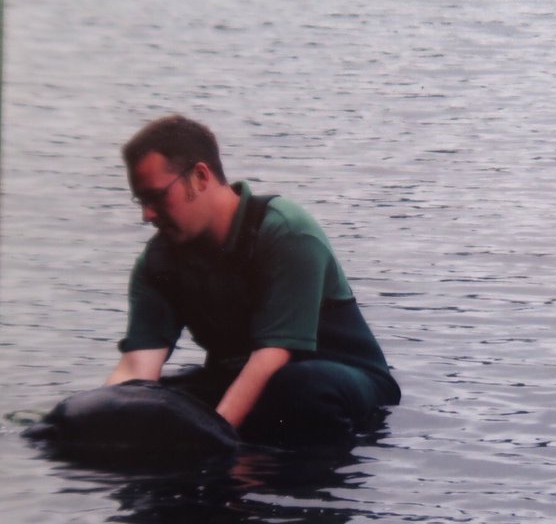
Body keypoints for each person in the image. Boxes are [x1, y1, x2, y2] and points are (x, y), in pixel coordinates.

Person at [107, 114, 401, 447]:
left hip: (335, 378)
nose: (146, 215)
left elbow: (271, 357)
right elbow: (137, 368)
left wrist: (212, 439)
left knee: (300, 387)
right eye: (141, 201)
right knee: (158, 401)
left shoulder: (287, 231)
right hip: (244, 381)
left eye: (156, 197)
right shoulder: (158, 261)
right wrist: (102, 418)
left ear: (200, 176)